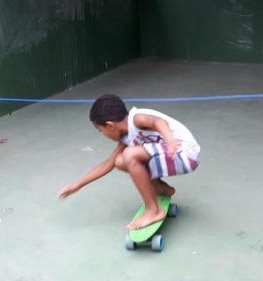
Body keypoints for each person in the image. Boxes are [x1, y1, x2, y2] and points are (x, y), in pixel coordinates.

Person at [58, 94, 200, 229]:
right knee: (120, 160)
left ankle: (153, 210)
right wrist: (78, 185)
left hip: (185, 153)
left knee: (129, 155)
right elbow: (109, 163)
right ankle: (162, 189)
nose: (103, 134)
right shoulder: (127, 137)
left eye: (101, 131)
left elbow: (158, 122)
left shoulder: (136, 119)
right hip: (174, 157)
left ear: (109, 125)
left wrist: (170, 140)